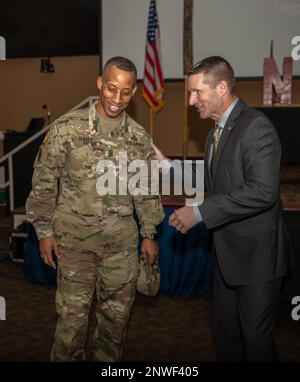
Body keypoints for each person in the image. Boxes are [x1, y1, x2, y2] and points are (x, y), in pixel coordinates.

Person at [26, 56, 164, 362]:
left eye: (126, 92)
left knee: (114, 327)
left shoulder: (139, 139)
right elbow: (44, 184)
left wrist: (149, 233)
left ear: (134, 92)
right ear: (100, 84)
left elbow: (145, 191)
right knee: (71, 325)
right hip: (74, 246)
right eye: (111, 88)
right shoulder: (66, 130)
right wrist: (44, 231)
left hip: (121, 250)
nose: (117, 99)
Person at [153, 56, 290, 362]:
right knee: (225, 337)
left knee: (256, 345)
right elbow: (213, 180)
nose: (191, 101)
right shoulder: (216, 131)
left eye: (196, 92)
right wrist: (166, 167)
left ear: (222, 87)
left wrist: (199, 213)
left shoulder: (256, 127)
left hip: (257, 262)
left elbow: (262, 191)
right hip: (226, 259)